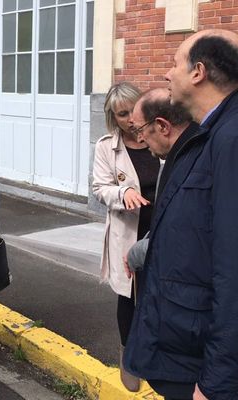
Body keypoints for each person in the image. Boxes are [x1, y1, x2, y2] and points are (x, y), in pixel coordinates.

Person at [124, 29, 238, 400]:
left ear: (198, 72)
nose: (167, 74)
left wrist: (217, 380)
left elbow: (231, 267)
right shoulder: (209, 135)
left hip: (203, 367)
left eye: (174, 64)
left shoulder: (229, 139)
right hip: (183, 348)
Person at [92, 82, 160, 392]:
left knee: (158, 293)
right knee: (129, 296)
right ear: (113, 117)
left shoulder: (161, 136)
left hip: (163, 228)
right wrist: (124, 192)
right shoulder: (107, 146)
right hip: (129, 232)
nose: (130, 120)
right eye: (122, 114)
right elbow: (99, 188)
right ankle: (128, 356)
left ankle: (156, 353)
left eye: (132, 111)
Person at [123, 88, 198, 274]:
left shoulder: (191, 163)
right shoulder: (177, 157)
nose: (139, 138)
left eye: (140, 130)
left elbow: (179, 239)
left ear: (163, 127)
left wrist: (137, 253)